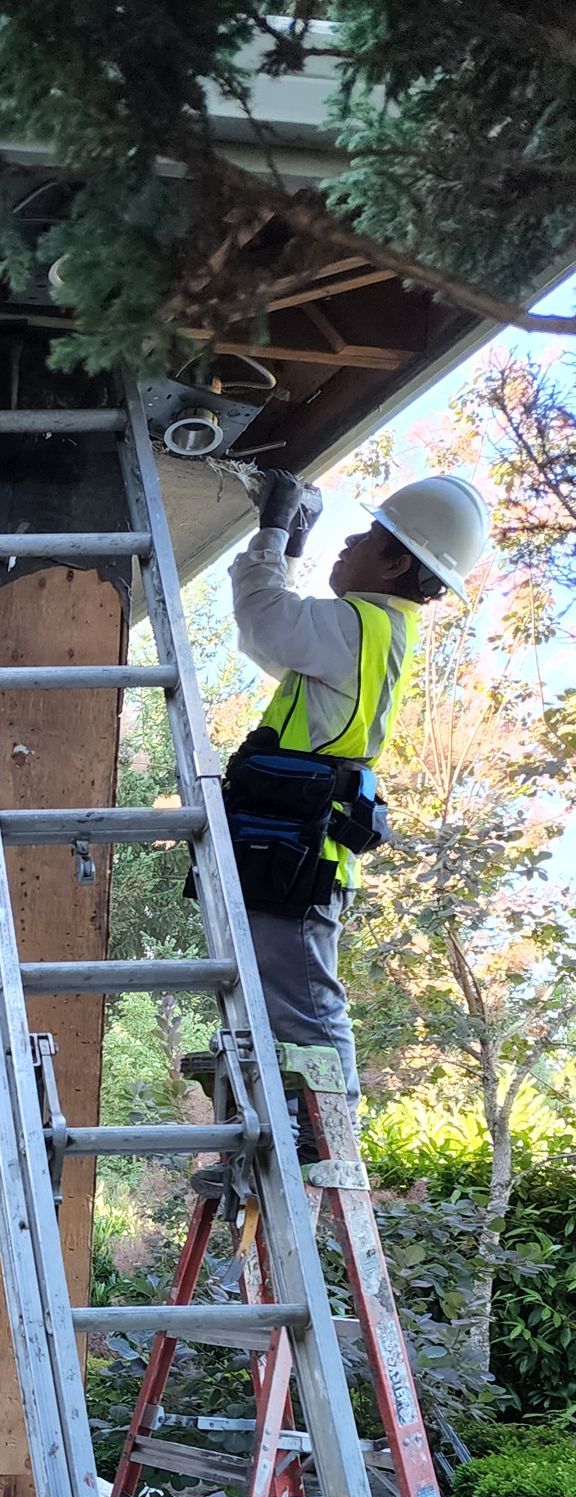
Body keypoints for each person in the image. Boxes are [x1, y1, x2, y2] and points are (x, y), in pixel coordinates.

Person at [224, 467, 489, 1127]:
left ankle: (326, 1143)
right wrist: (284, 548)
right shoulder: (371, 632)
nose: (346, 545)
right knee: (278, 1001)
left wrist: (275, 532)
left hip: (295, 856)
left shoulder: (360, 626)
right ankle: (276, 1141)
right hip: (290, 848)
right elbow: (278, 640)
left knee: (307, 1009)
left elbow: (263, 620)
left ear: (398, 562)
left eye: (367, 538)